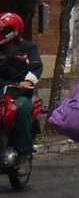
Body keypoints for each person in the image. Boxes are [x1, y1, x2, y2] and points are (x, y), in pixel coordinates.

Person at [0, 12, 42, 159]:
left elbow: (36, 66)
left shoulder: (28, 47)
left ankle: (24, 152)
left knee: (22, 109)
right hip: (1, 90)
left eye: (4, 30)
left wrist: (29, 81)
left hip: (20, 92)